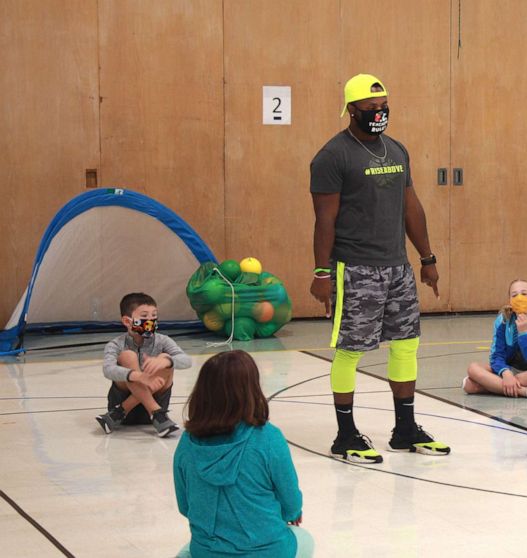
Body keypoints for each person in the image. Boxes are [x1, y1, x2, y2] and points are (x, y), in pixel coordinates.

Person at [309, 73, 449, 463]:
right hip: (355, 268)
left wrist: (427, 258)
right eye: (371, 109)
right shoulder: (332, 157)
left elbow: (411, 206)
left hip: (397, 268)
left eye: (384, 107)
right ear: (351, 111)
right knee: (351, 351)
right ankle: (346, 434)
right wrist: (322, 274)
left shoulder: (396, 150)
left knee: (406, 346)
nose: (379, 113)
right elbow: (324, 220)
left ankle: (405, 429)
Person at [174, 350, 314, 558]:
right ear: (252, 390)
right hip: (268, 551)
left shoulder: (187, 442)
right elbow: (291, 500)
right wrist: (291, 514)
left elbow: (185, 506)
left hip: (207, 551)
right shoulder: (268, 437)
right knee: (304, 539)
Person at [96, 292, 191, 437]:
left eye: (154, 316)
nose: (151, 320)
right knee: (127, 356)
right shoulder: (116, 344)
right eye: (144, 316)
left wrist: (166, 361)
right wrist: (138, 376)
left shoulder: (163, 340)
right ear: (127, 321)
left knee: (166, 357)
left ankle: (120, 411)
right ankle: (156, 413)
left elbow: (187, 360)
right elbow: (108, 370)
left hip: (147, 407)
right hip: (136, 409)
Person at [463, 279, 527, 400]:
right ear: (510, 301)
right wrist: (506, 373)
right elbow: (496, 356)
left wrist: (524, 333)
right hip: (508, 370)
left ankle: (488, 386)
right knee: (473, 368)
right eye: (514, 295)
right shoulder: (503, 320)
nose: (519, 298)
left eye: (524, 294)